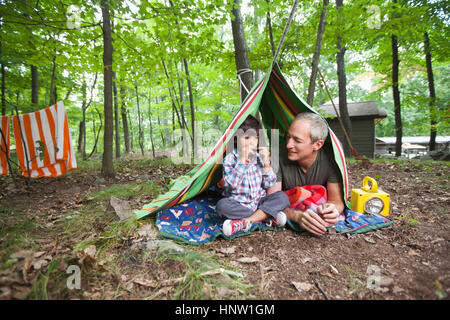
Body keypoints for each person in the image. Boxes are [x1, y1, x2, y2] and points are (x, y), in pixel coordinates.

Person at [245, 112, 345, 236]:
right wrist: (296, 216)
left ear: (317, 144)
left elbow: (337, 201)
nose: (288, 145)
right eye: (288, 137)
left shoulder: (332, 158)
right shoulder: (276, 155)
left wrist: (332, 211)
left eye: (297, 140)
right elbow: (271, 202)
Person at [216, 115, 290, 237]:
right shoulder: (230, 159)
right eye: (246, 138)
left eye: (255, 138)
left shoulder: (259, 157)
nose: (251, 142)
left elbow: (268, 184)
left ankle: (245, 222)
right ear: (236, 139)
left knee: (282, 197)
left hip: (259, 202)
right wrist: (242, 162)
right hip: (239, 204)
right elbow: (230, 185)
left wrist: (267, 163)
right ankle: (265, 217)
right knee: (222, 207)